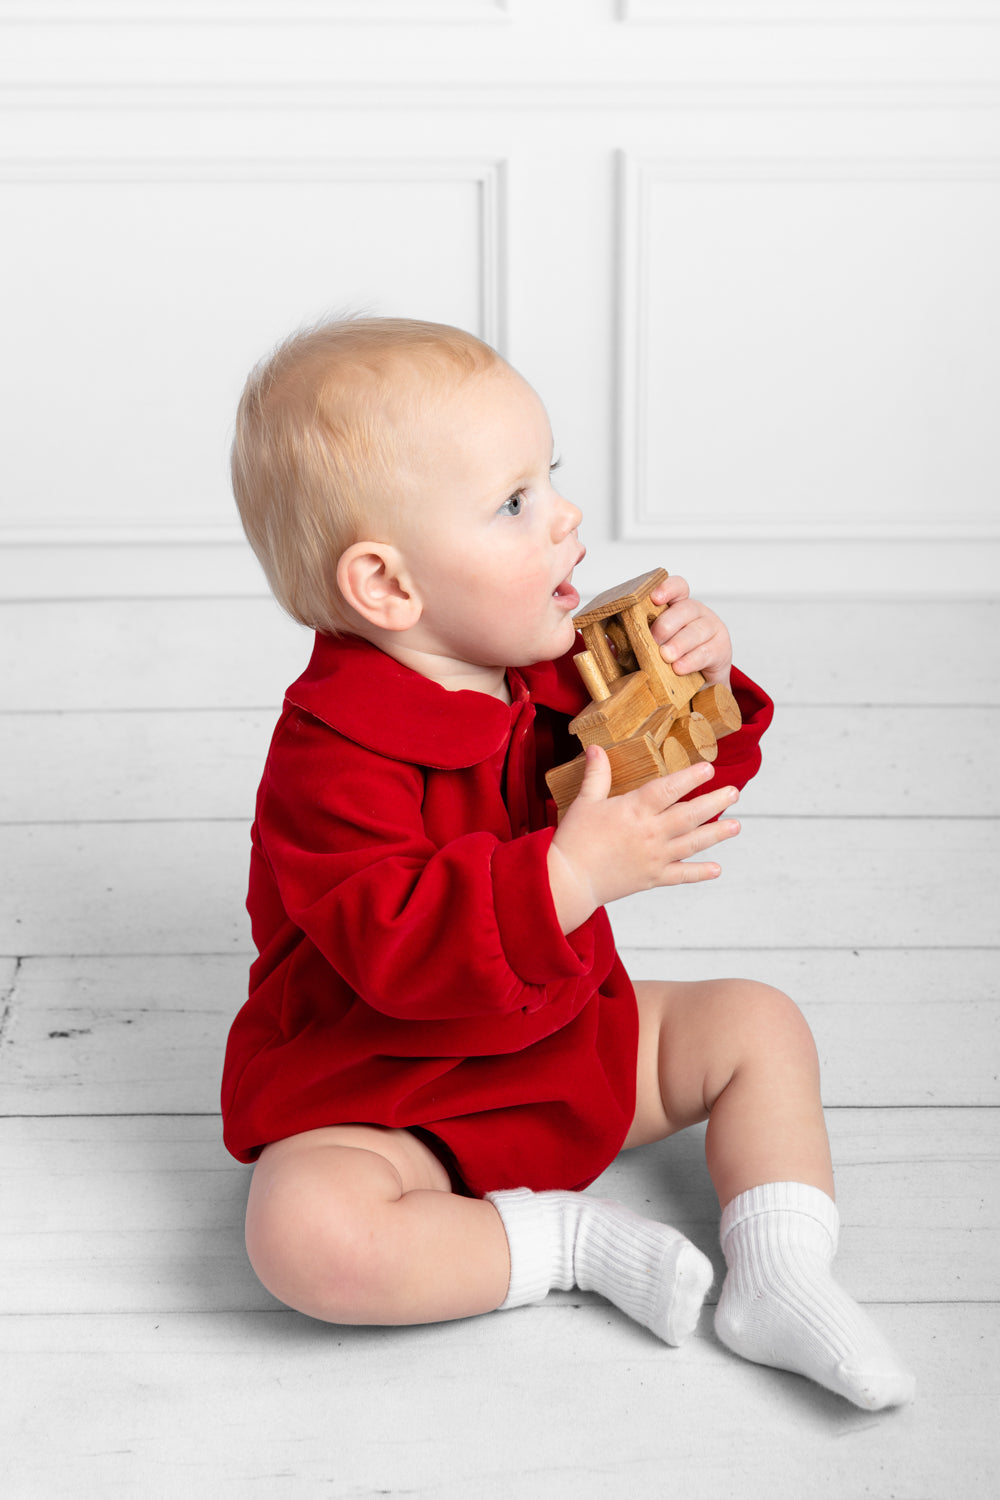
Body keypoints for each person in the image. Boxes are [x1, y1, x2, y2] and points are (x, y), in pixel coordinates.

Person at [221, 316, 914, 1411]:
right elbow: (395, 949)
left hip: (564, 1038)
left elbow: (673, 773)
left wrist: (706, 683)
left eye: (550, 481)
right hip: (394, 1090)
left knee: (756, 1023)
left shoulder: (540, 668)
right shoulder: (327, 756)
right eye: (513, 504)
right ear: (387, 588)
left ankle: (780, 1273)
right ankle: (561, 1244)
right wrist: (571, 877)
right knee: (305, 1236)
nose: (566, 520)